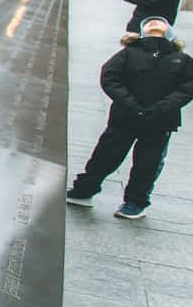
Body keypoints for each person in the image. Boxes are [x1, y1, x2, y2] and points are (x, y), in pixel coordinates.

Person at [67, 15, 193, 218]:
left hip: (160, 122)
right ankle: (84, 191)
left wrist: (161, 108)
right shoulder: (128, 53)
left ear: (170, 32)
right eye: (148, 22)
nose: (154, 22)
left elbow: (187, 89)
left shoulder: (182, 60)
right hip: (125, 117)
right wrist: (132, 105)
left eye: (160, 22)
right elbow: (110, 77)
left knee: (148, 163)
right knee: (106, 155)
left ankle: (135, 202)